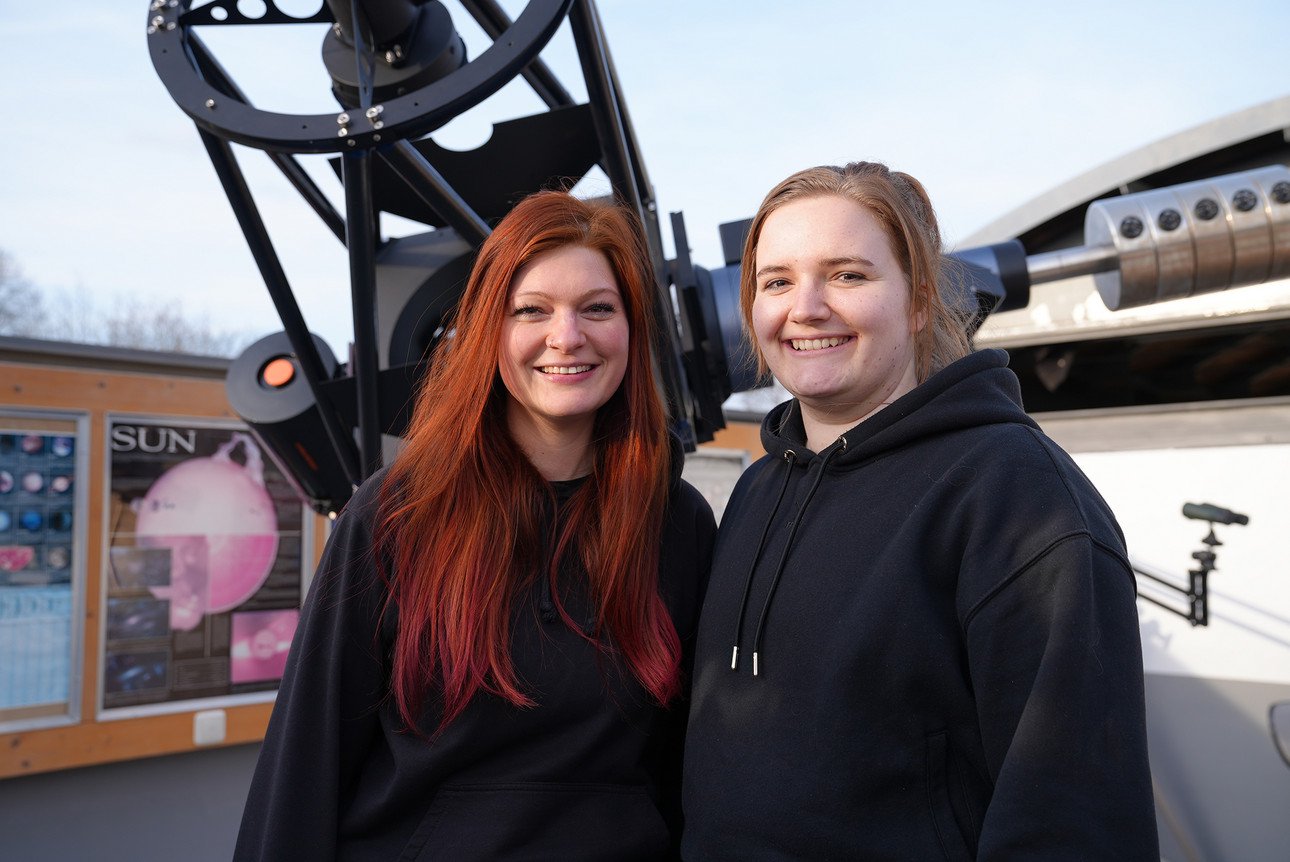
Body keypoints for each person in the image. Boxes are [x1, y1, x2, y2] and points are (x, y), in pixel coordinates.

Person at [681, 162, 1158, 860]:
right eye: (777, 281)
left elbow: (1073, 819)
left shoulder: (1014, 495)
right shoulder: (759, 489)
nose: (805, 307)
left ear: (918, 300)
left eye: (847, 275)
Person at [235, 190, 716, 861]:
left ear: (632, 331)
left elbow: (685, 766)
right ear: (491, 330)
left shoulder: (675, 522)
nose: (566, 336)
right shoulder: (397, 514)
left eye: (597, 308)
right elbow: (306, 761)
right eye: (533, 311)